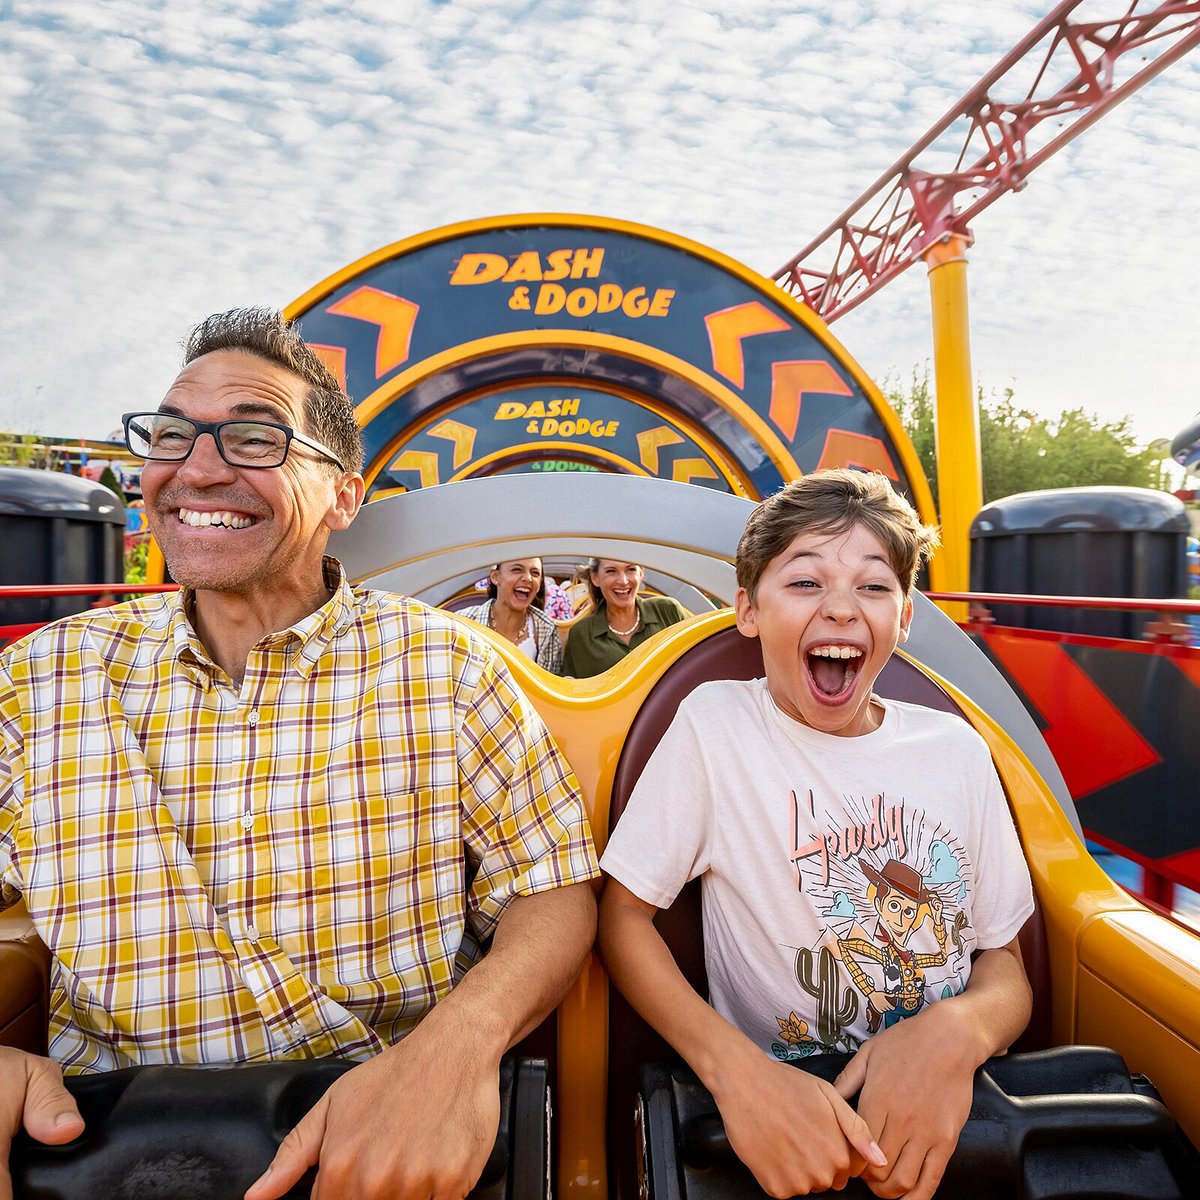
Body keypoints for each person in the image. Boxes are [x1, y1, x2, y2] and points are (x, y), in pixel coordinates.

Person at [0, 308, 599, 1200]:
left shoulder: (450, 668)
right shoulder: (40, 679)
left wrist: (456, 1050)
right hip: (105, 1142)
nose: (196, 467)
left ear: (344, 496)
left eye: (253, 439)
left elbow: (551, 895)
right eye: (171, 434)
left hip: (379, 1135)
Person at [598, 469, 1033, 1200]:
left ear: (904, 618)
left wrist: (956, 1034)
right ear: (748, 610)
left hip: (960, 1105)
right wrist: (736, 1073)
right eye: (804, 584)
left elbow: (1005, 962)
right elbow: (622, 917)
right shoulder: (716, 728)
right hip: (795, 1099)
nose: (840, 608)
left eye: (872, 586)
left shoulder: (957, 750)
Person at [561, 559, 689, 678]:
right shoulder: (581, 634)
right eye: (611, 571)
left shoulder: (668, 611)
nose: (623, 581)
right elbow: (571, 688)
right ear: (595, 578)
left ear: (641, 573)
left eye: (631, 569)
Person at [458, 558, 564, 673]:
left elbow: (551, 684)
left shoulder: (548, 631)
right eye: (517, 570)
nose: (528, 578)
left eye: (535, 573)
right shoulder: (463, 622)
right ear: (495, 577)